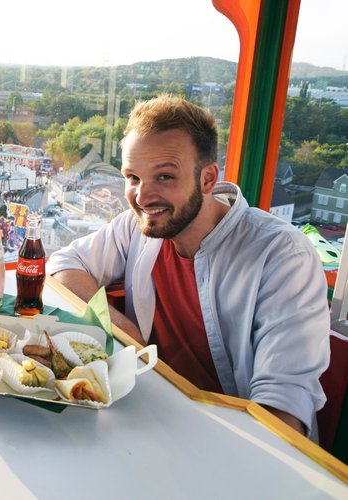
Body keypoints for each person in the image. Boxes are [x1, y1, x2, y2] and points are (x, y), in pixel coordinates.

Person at [46, 94, 330, 438]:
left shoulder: (283, 256)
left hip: (232, 438)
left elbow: (282, 410)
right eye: (133, 177)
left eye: (164, 177)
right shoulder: (136, 225)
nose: (142, 195)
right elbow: (64, 263)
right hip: (150, 414)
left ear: (207, 179)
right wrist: (123, 329)